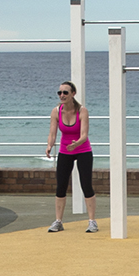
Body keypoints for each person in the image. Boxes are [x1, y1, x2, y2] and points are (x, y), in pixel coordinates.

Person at [42, 80, 97, 234]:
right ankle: (58, 221)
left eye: (65, 92)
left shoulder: (82, 111)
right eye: (59, 92)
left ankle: (92, 221)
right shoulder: (56, 111)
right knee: (61, 186)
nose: (62, 95)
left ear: (73, 94)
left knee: (86, 184)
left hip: (83, 150)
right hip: (65, 151)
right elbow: (52, 133)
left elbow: (84, 135)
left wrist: (76, 144)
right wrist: (49, 146)